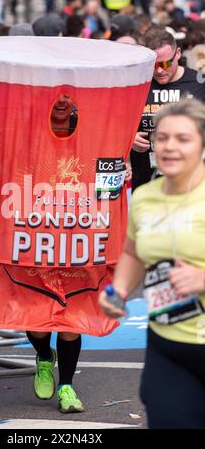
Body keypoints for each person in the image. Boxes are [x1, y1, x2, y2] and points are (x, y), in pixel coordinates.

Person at [0, 92, 85, 414]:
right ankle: (44, 356)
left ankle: (67, 386)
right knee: (38, 323)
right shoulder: (22, 128)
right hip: (31, 241)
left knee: (71, 320)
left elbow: (111, 167)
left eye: (69, 95)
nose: (62, 100)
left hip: (73, 238)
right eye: (56, 94)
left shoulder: (90, 128)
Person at [99, 98, 205, 429]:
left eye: (182, 139)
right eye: (162, 138)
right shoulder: (146, 196)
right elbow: (133, 252)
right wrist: (119, 289)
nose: (169, 147)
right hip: (168, 343)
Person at [131, 27, 205, 191]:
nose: (159, 70)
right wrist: (129, 138)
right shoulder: (136, 84)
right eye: (153, 64)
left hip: (190, 184)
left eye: (165, 64)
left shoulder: (199, 83)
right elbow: (115, 123)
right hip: (145, 183)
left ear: (178, 53)